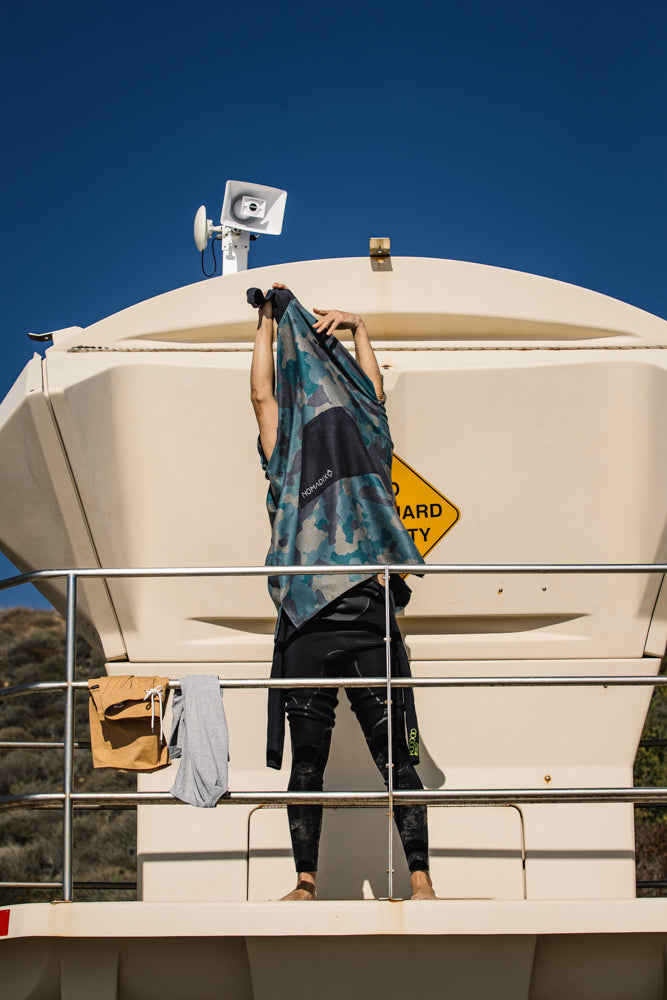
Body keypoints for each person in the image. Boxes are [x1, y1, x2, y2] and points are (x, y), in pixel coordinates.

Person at [249, 283, 436, 901]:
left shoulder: (346, 450)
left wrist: (339, 329)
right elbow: (266, 396)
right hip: (334, 621)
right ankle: (359, 882)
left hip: (338, 618)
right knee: (348, 757)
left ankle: (386, 879)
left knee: (356, 757)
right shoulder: (324, 452)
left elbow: (276, 395)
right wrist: (280, 326)